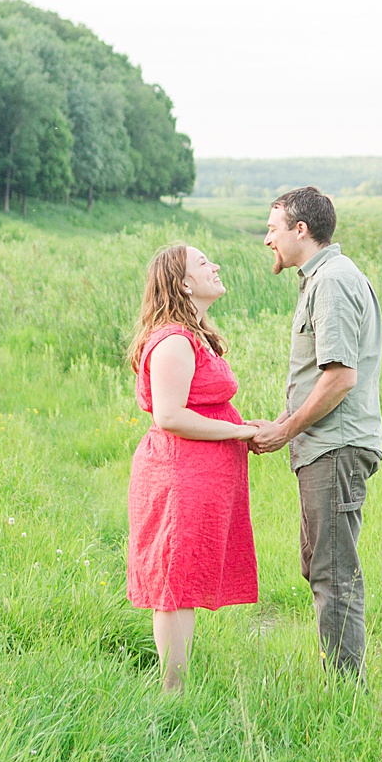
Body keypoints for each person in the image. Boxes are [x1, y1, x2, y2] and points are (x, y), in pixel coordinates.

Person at [250, 186, 382, 681]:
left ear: (300, 230)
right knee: (321, 567)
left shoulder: (331, 282)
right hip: (324, 446)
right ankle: (342, 682)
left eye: (272, 227)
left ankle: (346, 696)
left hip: (337, 447)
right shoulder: (321, 279)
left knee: (333, 575)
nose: (267, 239)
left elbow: (340, 376)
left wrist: (285, 428)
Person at [126, 242, 269, 692]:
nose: (216, 266)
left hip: (197, 476)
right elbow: (169, 417)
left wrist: (242, 426)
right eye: (204, 263)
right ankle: (173, 690)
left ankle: (177, 685)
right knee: (175, 580)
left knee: (184, 577)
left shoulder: (194, 336)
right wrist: (240, 433)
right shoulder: (173, 341)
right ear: (184, 283)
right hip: (178, 477)